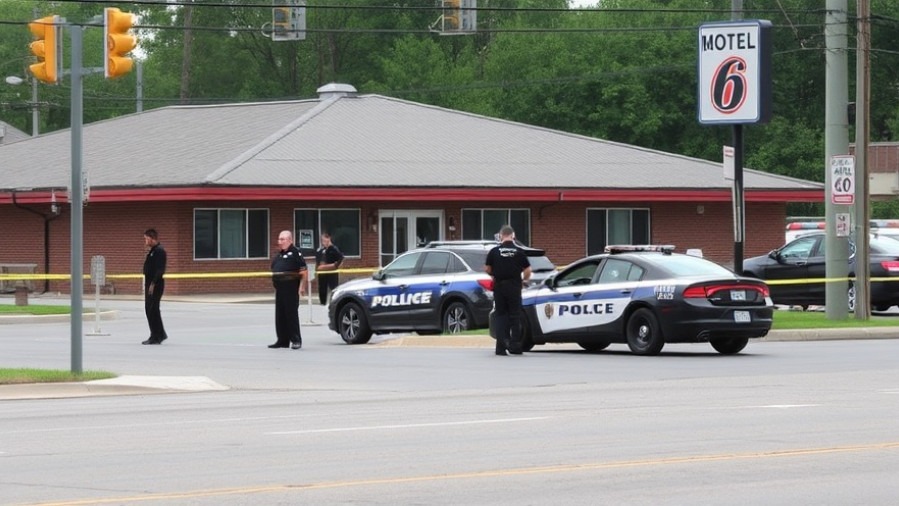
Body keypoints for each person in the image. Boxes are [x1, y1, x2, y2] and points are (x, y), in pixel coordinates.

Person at [485, 225, 532, 356]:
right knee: (515, 315)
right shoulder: (519, 251)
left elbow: (487, 269)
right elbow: (528, 270)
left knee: (501, 316)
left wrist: (495, 274)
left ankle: (501, 347)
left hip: (499, 287)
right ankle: (515, 346)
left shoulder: (494, 251)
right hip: (514, 286)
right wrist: (524, 280)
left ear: (500, 236)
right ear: (513, 235)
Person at [270, 230, 307, 350]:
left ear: (290, 240)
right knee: (280, 315)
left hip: (291, 288)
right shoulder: (279, 255)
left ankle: (296, 340)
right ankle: (282, 340)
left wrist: (302, 287)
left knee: (291, 315)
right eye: (279, 239)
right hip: (280, 289)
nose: (279, 242)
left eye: (282, 239)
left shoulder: (296, 253)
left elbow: (304, 271)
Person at [142, 228, 168, 345]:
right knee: (150, 309)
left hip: (155, 284)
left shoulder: (159, 251)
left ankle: (156, 336)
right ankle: (159, 333)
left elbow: (160, 270)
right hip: (149, 283)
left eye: (146, 239)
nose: (145, 241)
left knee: (152, 309)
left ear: (152, 238)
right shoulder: (152, 250)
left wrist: (153, 284)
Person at [314, 232, 344, 305]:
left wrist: (331, 266)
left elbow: (341, 259)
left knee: (334, 288)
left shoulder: (334, 249)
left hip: (331, 273)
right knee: (322, 288)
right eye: (322, 241)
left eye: (324, 240)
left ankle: (335, 302)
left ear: (329, 239)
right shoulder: (321, 250)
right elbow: (317, 262)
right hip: (322, 273)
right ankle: (322, 302)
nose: (323, 242)